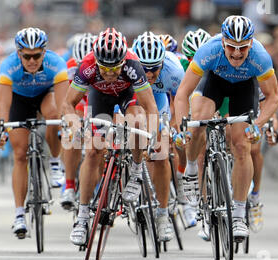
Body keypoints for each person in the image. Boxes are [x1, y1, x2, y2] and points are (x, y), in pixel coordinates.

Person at [174, 16, 278, 241]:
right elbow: (182, 93)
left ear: (251, 43)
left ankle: (240, 215)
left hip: (244, 89)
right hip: (215, 83)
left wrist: (259, 125)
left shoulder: (260, 57)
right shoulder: (208, 51)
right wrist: (183, 125)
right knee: (198, 122)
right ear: (223, 42)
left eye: (243, 48)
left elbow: (273, 98)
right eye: (231, 47)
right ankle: (192, 170)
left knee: (242, 146)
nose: (237, 54)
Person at [62, 28, 162, 246]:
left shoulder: (132, 64)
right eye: (104, 68)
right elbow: (68, 104)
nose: (109, 74)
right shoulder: (87, 66)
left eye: (115, 68)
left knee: (136, 122)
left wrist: (153, 135)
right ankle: (82, 218)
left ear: (122, 61)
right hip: (100, 99)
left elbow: (150, 105)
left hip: (128, 95)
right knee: (93, 151)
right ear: (96, 61)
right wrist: (76, 126)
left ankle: (135, 171)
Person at [0, 28, 69, 239]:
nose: (32, 60)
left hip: (46, 95)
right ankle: (19, 214)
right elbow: (3, 102)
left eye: (37, 55)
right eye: (27, 56)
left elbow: (64, 103)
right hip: (19, 100)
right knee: (19, 154)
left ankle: (55, 162)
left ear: (44, 52)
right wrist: (2, 127)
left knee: (55, 114)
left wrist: (67, 125)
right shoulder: (9, 66)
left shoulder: (56, 63)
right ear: (19, 53)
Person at [132, 31, 196, 229]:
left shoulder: (174, 71)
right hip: (135, 98)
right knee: (131, 128)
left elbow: (181, 103)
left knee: (161, 149)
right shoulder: (128, 66)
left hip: (160, 99)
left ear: (162, 63)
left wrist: (174, 128)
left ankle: (163, 211)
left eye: (154, 69)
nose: (150, 74)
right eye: (145, 69)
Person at [61, 33, 97, 210]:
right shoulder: (68, 68)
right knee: (71, 137)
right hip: (79, 101)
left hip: (97, 99)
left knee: (100, 140)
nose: (83, 68)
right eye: (78, 65)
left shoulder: (101, 66)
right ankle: (69, 185)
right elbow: (67, 101)